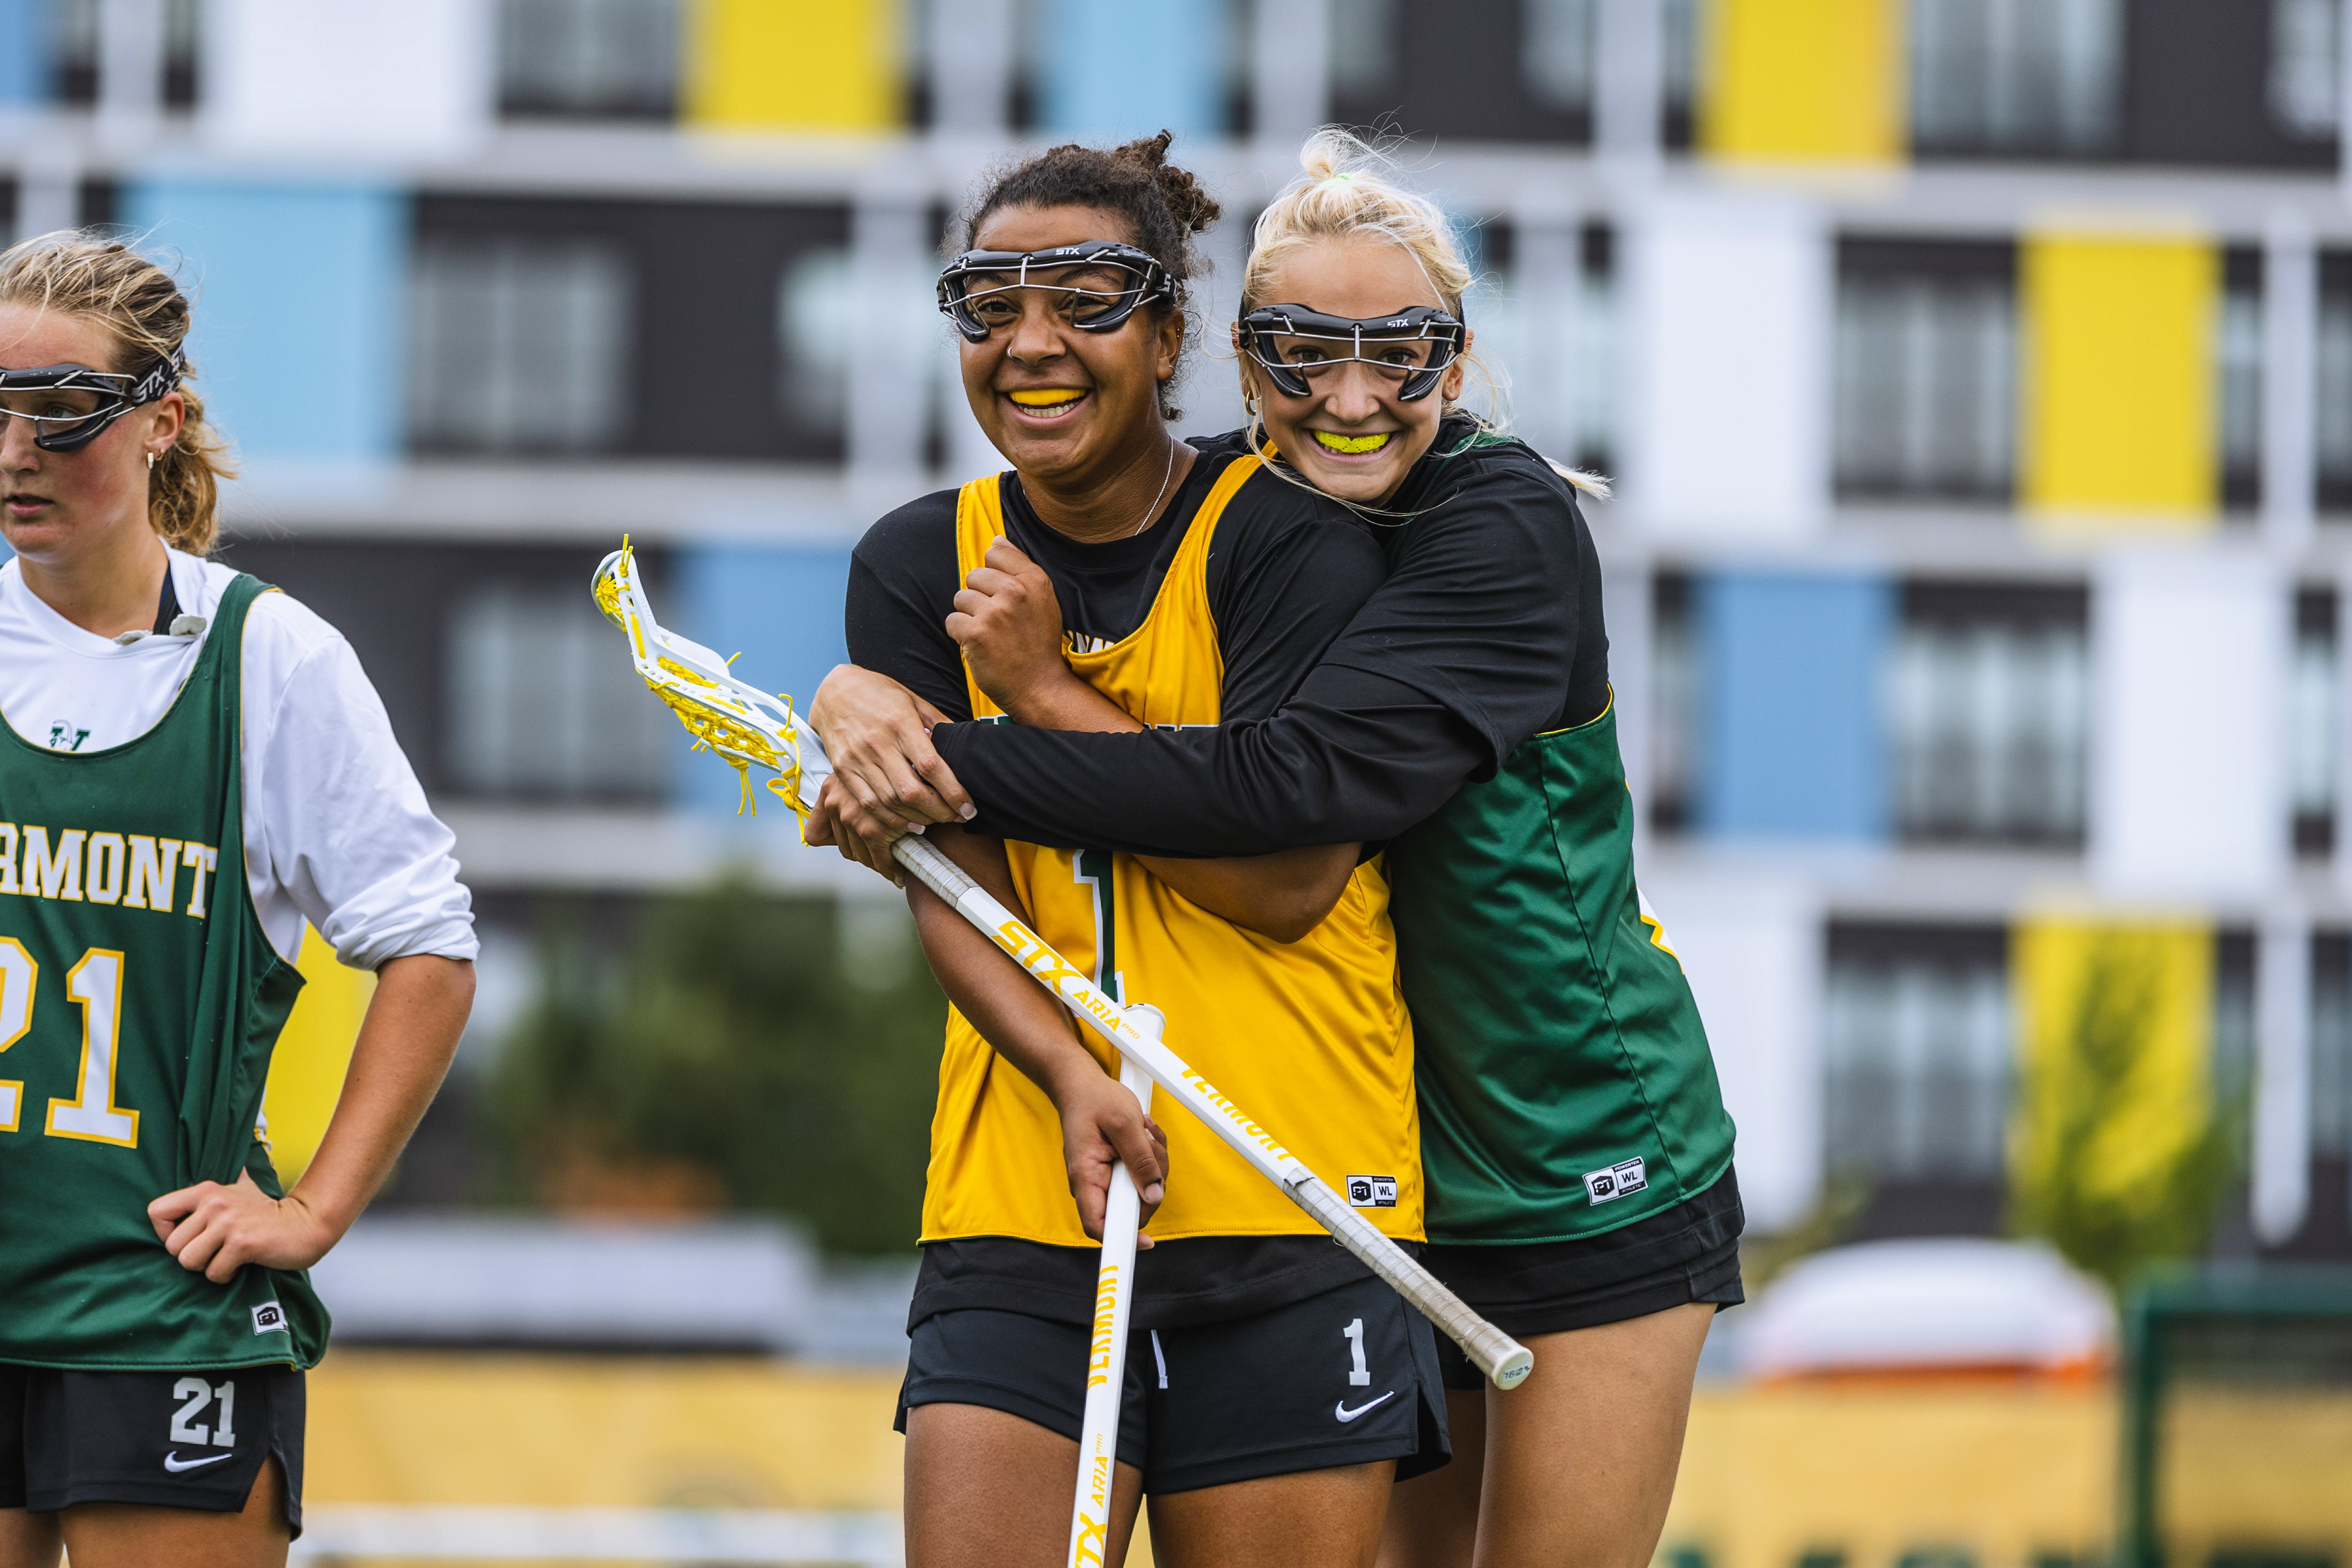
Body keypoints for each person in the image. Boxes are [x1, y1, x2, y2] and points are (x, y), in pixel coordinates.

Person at [807, 130, 1740, 1568]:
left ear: (1455, 361)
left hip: (1573, 1141)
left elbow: (1287, 800)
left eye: (1401, 354)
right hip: (1382, 1148)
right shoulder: (1250, 513)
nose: (1351, 398)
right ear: (1242, 365)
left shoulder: (1502, 523)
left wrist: (942, 753)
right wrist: (854, 696)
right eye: (1303, 352)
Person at [818, 134, 1450, 1568]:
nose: (1033, 344)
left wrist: (1039, 692)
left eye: (1088, 301)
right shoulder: (919, 562)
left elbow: (1287, 879)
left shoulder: (1291, 539)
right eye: (991, 307)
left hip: (1298, 1197)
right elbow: (952, 878)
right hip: (1025, 1192)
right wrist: (1065, 1071)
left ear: (1170, 335)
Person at [0, 233, 475, 1568]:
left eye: (60, 410)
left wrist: (314, 1209)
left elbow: (430, 945)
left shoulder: (270, 658)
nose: (17, 450)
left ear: (162, 420)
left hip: (162, 1308)